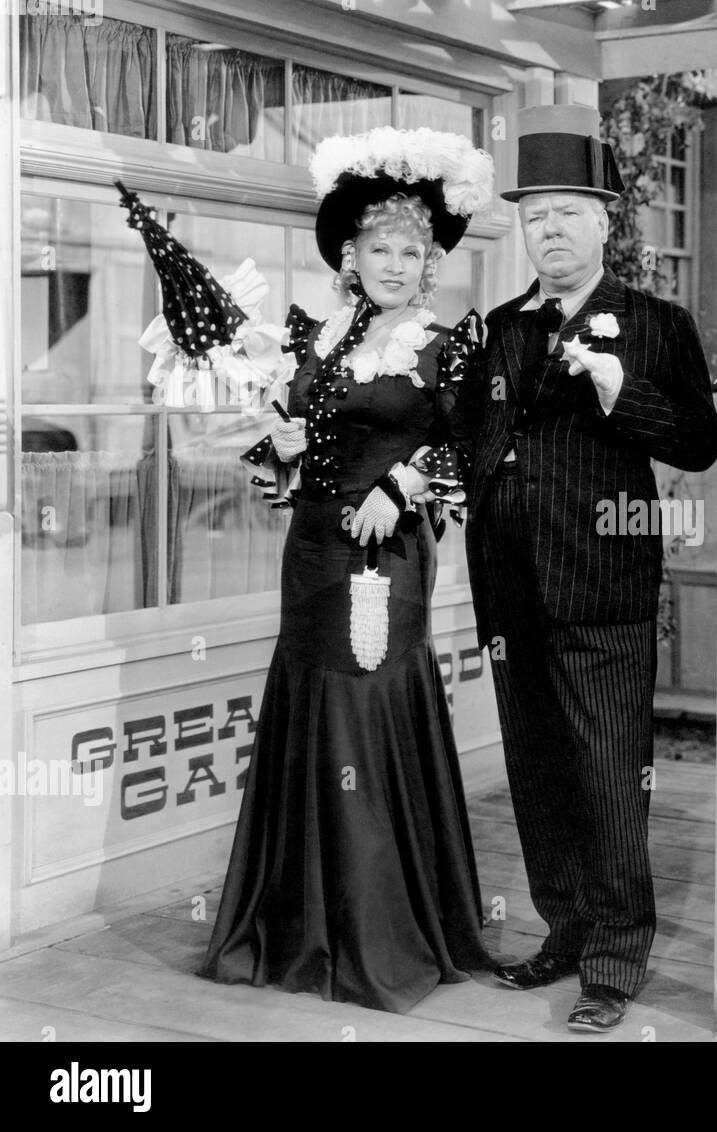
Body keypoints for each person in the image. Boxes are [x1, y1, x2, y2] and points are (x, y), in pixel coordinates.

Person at [196, 126, 496, 1013]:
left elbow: (468, 441)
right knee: (312, 704)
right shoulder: (317, 337)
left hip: (388, 555)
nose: (397, 263)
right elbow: (283, 455)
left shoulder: (448, 344)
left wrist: (400, 489)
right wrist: (282, 446)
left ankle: (380, 932)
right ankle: (300, 926)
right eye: (380, 248)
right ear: (351, 257)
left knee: (366, 701)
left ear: (430, 261)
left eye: (412, 250)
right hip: (315, 553)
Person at [451, 104, 717, 1033]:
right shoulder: (501, 327)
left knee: (610, 774)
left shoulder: (653, 323)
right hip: (510, 590)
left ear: (606, 221)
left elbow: (698, 441)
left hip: (600, 589)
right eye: (536, 215)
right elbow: (474, 441)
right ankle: (564, 932)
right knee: (539, 769)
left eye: (569, 211)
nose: (551, 229)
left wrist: (619, 389)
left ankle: (613, 959)